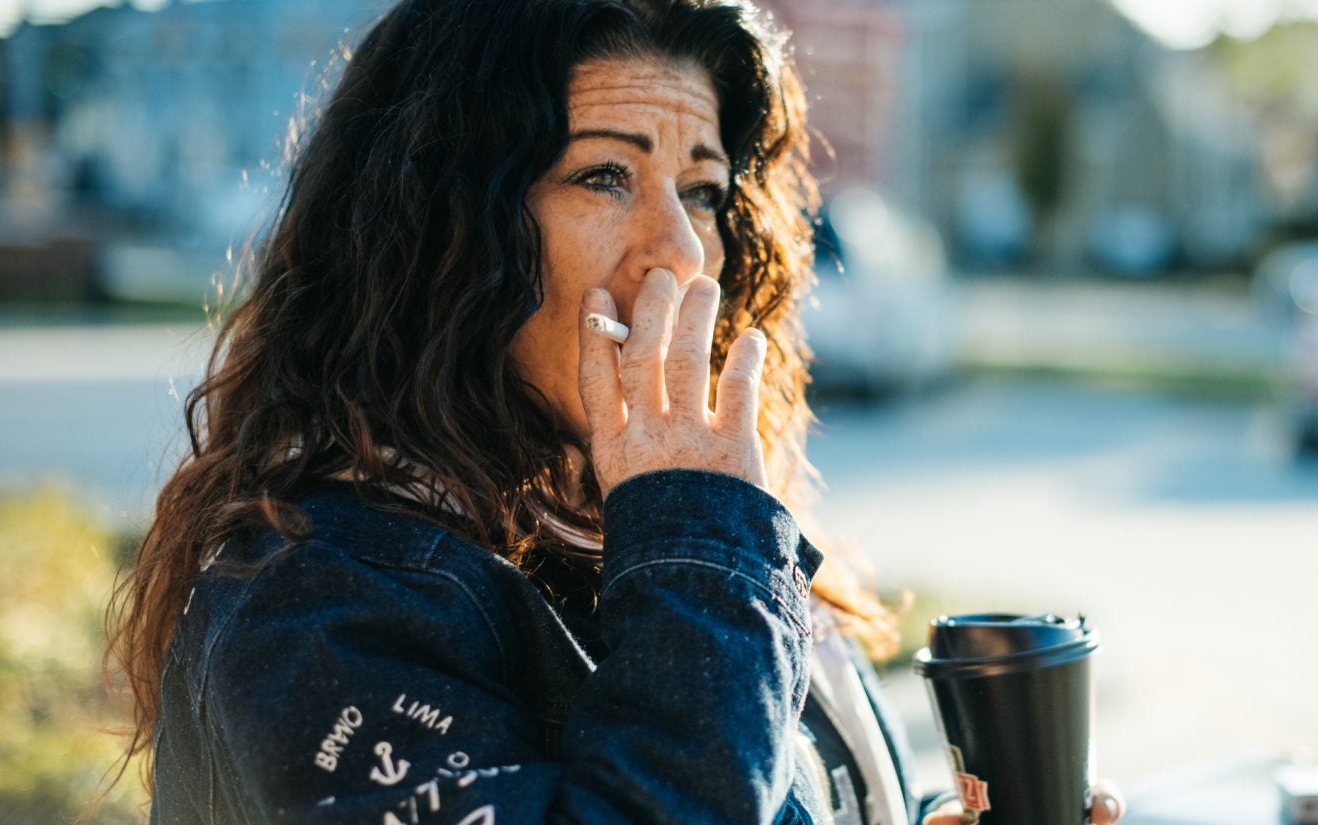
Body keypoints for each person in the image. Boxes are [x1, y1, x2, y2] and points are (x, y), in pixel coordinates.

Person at [106, 1, 1126, 823]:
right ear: (442, 235)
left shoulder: (633, 525)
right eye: (603, 175)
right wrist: (692, 529)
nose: (680, 253)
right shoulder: (317, 606)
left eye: (700, 191)